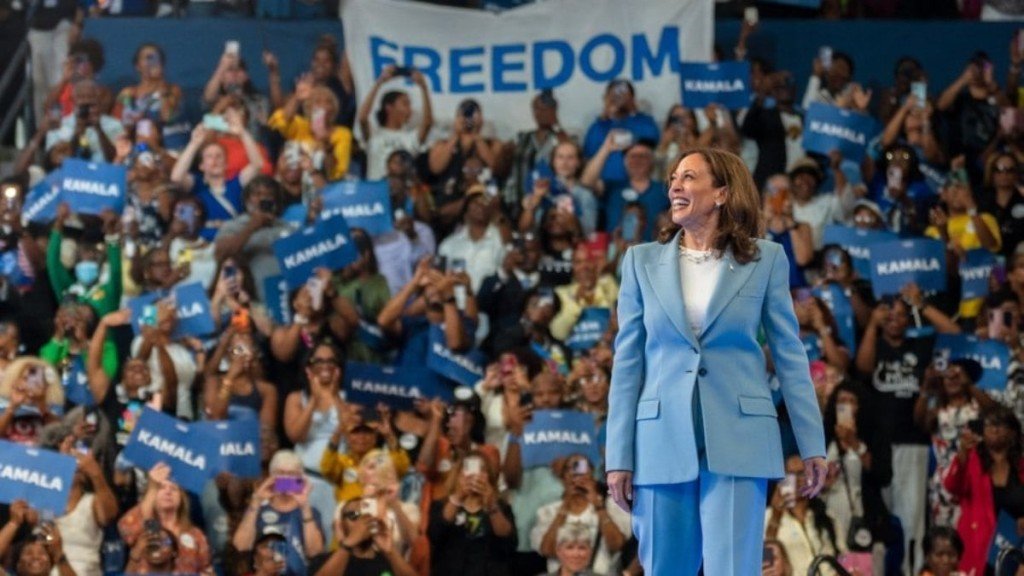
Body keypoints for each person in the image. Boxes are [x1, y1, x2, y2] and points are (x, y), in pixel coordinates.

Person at [605, 147, 827, 575]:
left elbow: (790, 356)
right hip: (660, 438)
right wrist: (618, 457)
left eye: (688, 177)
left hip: (740, 436)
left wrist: (812, 444)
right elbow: (627, 364)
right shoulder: (640, 261)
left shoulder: (766, 259)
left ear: (722, 192)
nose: (675, 186)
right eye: (673, 178)